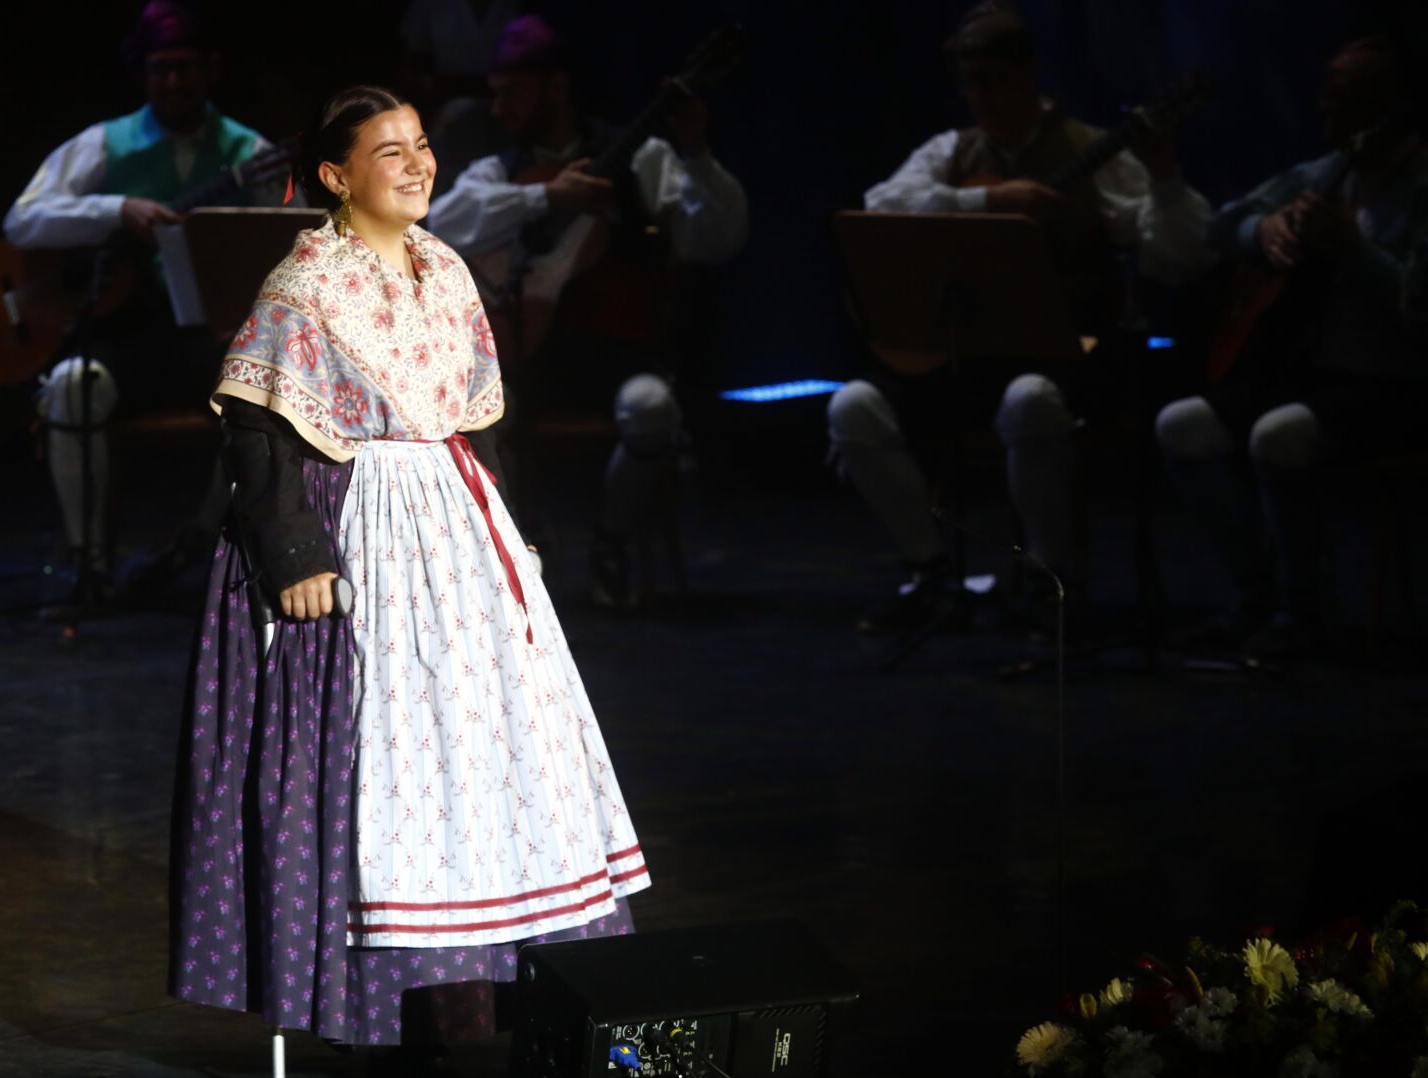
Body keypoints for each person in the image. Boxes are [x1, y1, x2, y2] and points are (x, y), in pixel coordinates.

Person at [168, 86, 648, 1069]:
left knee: (490, 750)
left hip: (451, 528)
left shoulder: (445, 268)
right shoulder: (306, 284)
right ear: (337, 177)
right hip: (361, 518)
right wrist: (294, 553)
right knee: (392, 760)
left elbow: (474, 423)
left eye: (422, 146)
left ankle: (506, 990)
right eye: (390, 153)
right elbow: (253, 427)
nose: (418, 164)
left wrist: (504, 535)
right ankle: (409, 1002)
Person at [824, 1, 1210, 635]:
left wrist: (1164, 174)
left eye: (993, 80)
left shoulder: (1092, 150)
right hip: (962, 358)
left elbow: (1178, 255)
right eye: (969, 83)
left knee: (1030, 400)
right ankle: (931, 571)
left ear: (1028, 75)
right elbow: (882, 204)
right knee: (853, 408)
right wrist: (987, 199)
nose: (980, 97)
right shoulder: (952, 151)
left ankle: (1049, 578)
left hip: (1064, 355)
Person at [426, 14, 747, 604]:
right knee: (472, 417)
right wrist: (546, 195)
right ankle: (507, 559)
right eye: (494, 94)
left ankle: (611, 538)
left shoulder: (643, 158)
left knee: (650, 409)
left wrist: (697, 151)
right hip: (534, 357)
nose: (499, 109)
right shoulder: (500, 169)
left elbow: (718, 240)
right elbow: (440, 225)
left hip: (620, 349)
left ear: (557, 88)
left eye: (512, 93)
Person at [1155, 36, 1428, 663]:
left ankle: (1300, 611)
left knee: (1277, 436)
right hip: (1321, 378)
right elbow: (1220, 226)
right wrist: (1264, 227)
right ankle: (1254, 594)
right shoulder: (1322, 173)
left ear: (1390, 107)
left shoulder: (1418, 189)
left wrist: (1354, 251)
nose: (1333, 122)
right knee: (1182, 426)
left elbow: (1419, 307)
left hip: (1398, 384)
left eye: (1350, 107)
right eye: (1328, 107)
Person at [3, 0, 285, 593]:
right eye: (162, 68)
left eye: (186, 67)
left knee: (261, 397)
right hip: (125, 332)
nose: (175, 81)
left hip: (209, 338)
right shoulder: (105, 144)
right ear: (143, 73)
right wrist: (115, 210)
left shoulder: (248, 152)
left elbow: (290, 235)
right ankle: (90, 566)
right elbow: (23, 221)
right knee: (69, 389)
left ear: (211, 70)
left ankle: (203, 544)